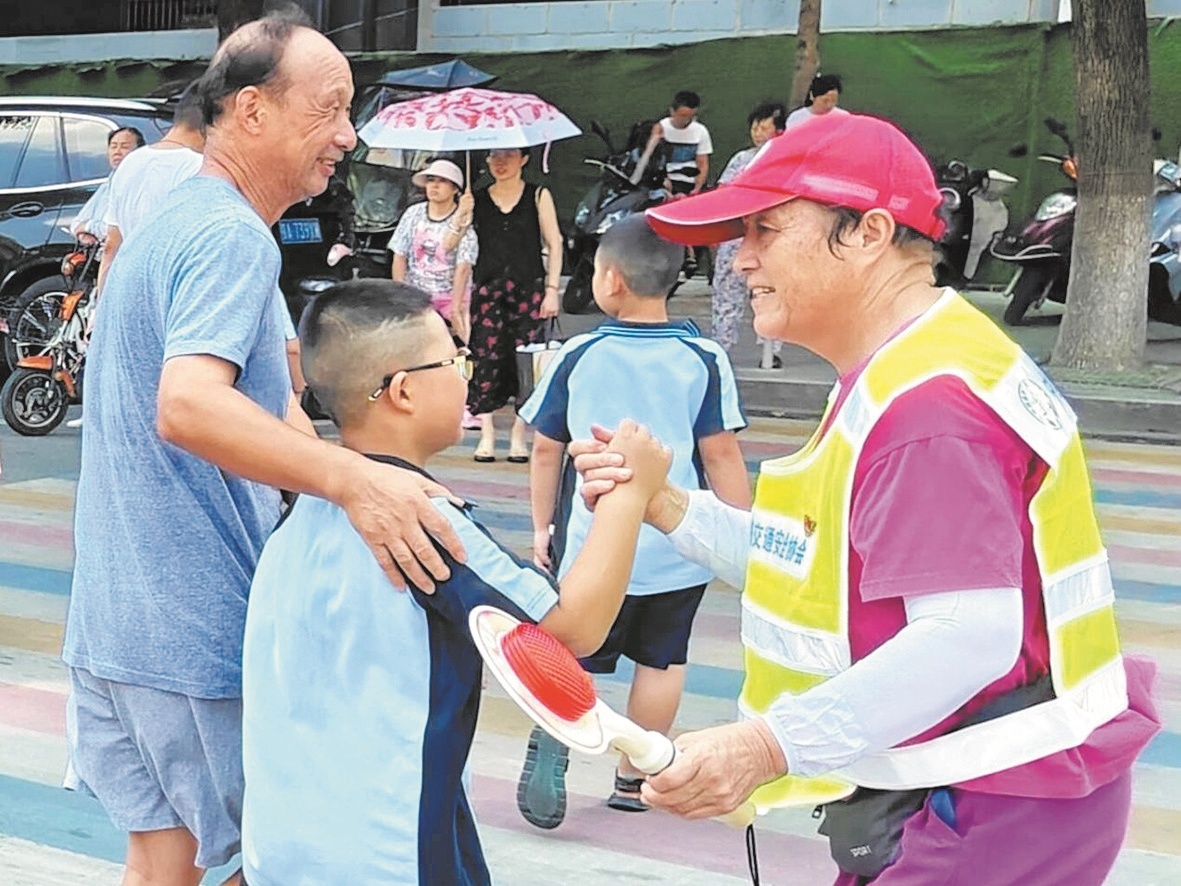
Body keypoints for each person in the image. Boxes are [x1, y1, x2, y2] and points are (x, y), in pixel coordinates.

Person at [573, 112, 1161, 885]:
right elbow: (819, 567)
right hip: (981, 791)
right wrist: (668, 505)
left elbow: (966, 635)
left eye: (764, 230)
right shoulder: (911, 365)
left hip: (983, 806)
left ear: (868, 233)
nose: (739, 259)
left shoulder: (927, 405)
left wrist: (762, 747)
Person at [62, 14, 467, 885]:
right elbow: (189, 406)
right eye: (329, 109)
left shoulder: (181, 220)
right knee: (274, 863)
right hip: (194, 627)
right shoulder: (229, 236)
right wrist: (355, 482)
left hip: (116, 622)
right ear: (252, 110)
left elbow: (271, 403)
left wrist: (344, 485)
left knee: (162, 861)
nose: (347, 135)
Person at [241, 278, 671, 885]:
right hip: (391, 852)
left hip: (283, 846)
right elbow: (572, 630)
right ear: (404, 390)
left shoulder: (304, 508)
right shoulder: (418, 519)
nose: (466, 377)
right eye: (455, 361)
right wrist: (630, 494)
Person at [515, 213, 750, 827]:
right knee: (663, 661)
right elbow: (721, 454)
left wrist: (542, 528)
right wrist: (739, 537)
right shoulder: (703, 356)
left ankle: (558, 732)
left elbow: (546, 449)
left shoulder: (579, 352)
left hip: (594, 546)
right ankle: (634, 776)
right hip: (678, 548)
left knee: (570, 650)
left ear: (611, 280)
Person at [468, 146, 562, 463]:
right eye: (495, 156)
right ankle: (487, 433)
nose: (501, 162)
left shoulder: (538, 195)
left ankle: (519, 434)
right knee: (485, 358)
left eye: (509, 156)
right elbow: (456, 246)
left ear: (523, 160)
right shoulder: (476, 199)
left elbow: (555, 242)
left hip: (528, 289)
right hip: (487, 291)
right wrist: (461, 215)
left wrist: (552, 289)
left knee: (526, 363)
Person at [712, 102, 787, 369]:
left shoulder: (785, 160)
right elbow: (723, 193)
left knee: (771, 290)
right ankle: (721, 346)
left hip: (770, 235)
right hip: (737, 234)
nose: (757, 132)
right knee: (727, 291)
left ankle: (771, 348)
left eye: (764, 127)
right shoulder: (741, 159)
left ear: (778, 131)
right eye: (755, 127)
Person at [390, 158, 478, 345]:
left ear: (455, 189)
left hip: (449, 298)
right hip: (417, 295)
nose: (434, 186)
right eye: (431, 180)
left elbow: (463, 267)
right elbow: (399, 255)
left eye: (442, 181)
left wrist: (455, 307)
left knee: (455, 349)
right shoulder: (413, 213)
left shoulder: (463, 220)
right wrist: (401, 294)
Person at [69, 127, 144, 241]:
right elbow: (78, 222)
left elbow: (119, 230)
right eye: (113, 146)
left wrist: (88, 227)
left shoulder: (139, 184)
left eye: (124, 147)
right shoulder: (110, 182)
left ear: (139, 153)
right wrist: (83, 235)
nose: (117, 152)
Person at [654, 90, 712, 196]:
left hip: (690, 181)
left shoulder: (700, 131)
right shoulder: (660, 128)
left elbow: (702, 164)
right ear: (672, 111)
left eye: (690, 117)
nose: (686, 121)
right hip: (665, 180)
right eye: (682, 116)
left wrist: (697, 188)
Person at [784, 73, 849, 130]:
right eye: (825, 101)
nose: (829, 105)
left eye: (833, 101)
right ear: (812, 96)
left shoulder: (843, 117)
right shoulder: (797, 118)